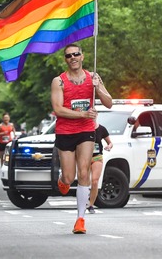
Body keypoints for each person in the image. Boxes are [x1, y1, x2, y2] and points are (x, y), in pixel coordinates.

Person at [51, 43, 112, 234]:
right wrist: (83, 115)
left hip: (86, 131)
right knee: (70, 177)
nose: (73, 58)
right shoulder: (58, 81)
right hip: (65, 131)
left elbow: (109, 103)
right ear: (66, 59)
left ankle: (80, 219)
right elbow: (58, 109)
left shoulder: (93, 77)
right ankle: (63, 180)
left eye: (76, 54)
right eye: (69, 56)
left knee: (84, 172)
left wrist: (98, 89)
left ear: (82, 56)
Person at [87, 122, 113, 214]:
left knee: (94, 181)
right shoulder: (82, 127)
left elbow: (110, 143)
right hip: (84, 157)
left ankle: (90, 205)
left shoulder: (101, 129)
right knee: (84, 181)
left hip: (97, 157)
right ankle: (83, 202)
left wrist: (109, 146)